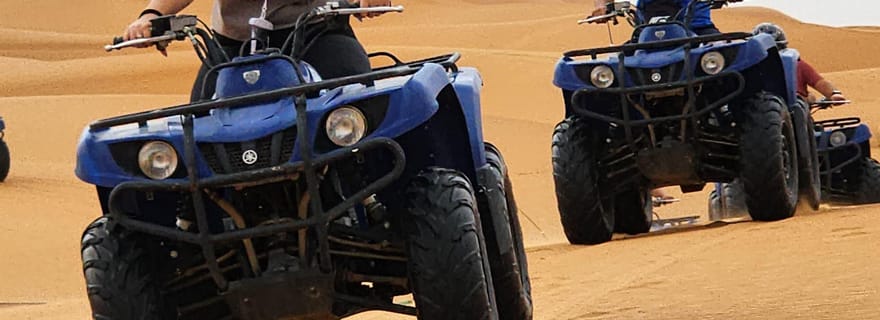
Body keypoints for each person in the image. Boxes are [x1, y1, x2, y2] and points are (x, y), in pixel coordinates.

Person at [122, 0, 392, 101]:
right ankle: (192, 217)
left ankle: (374, 200)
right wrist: (151, 15)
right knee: (199, 122)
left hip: (315, 31)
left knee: (360, 99)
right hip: (235, 43)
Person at [752, 23, 847, 104]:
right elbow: (818, 82)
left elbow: (819, 82)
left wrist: (833, 94)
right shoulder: (796, 64)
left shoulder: (750, 67)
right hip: (793, 108)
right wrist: (833, 94)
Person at [589, 0, 742, 35]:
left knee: (739, 63)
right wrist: (601, 6)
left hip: (697, 30)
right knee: (607, 77)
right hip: (647, 36)